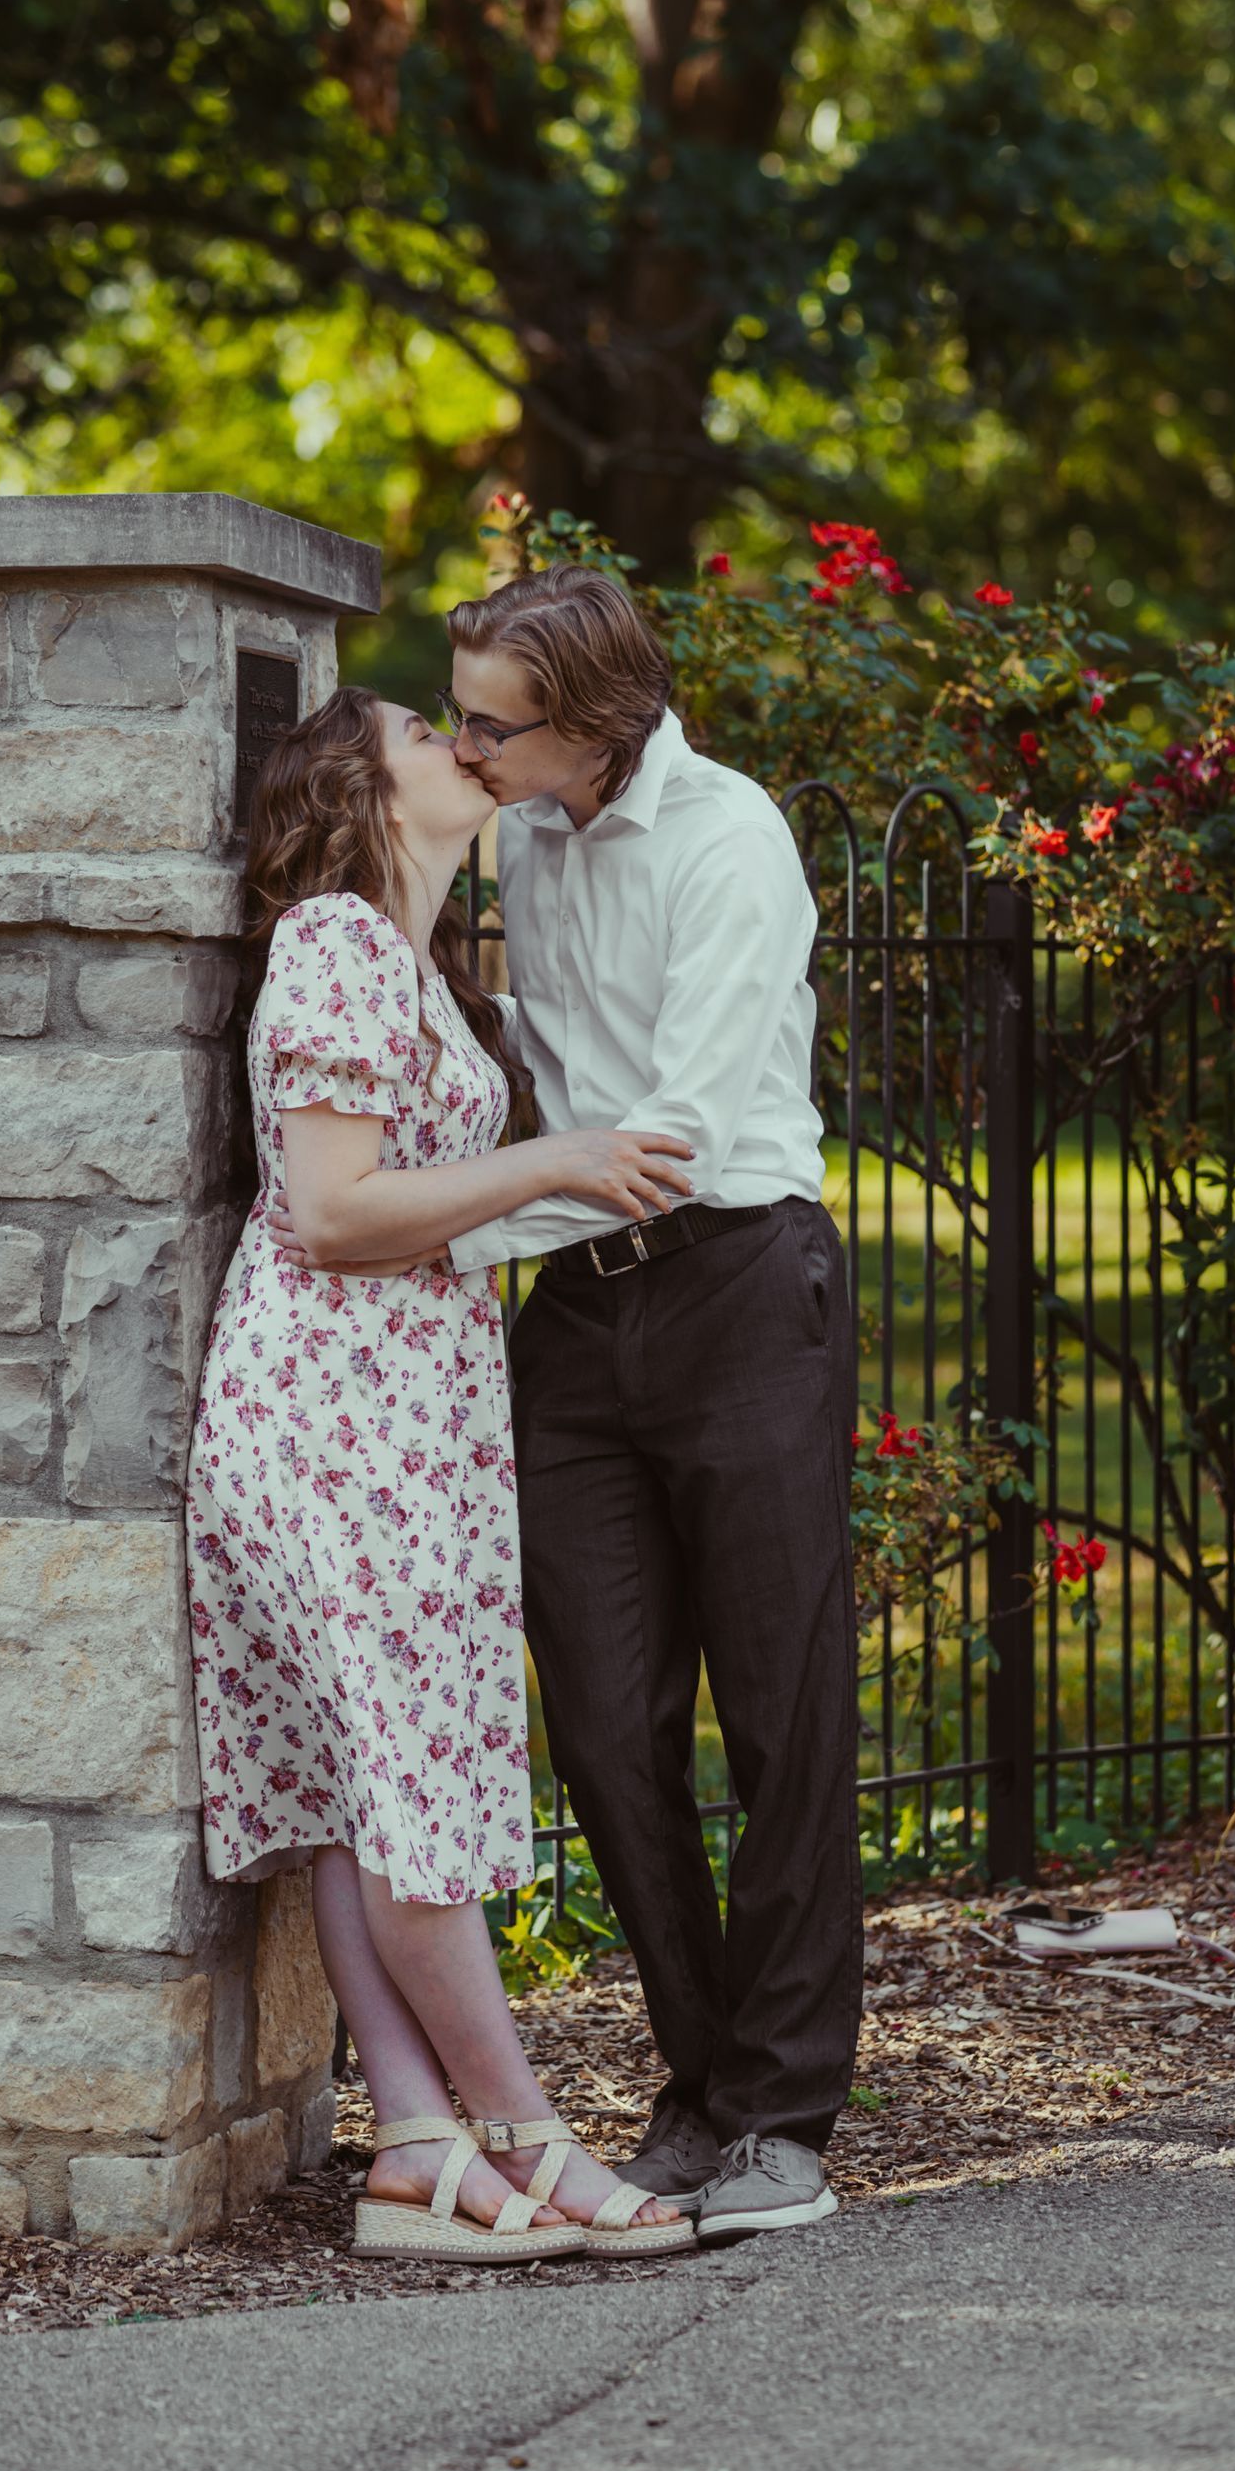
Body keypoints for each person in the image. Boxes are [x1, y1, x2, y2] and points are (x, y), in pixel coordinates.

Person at [183, 684, 696, 2265]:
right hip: (336, 1428)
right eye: (427, 734)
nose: (465, 750)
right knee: (408, 1794)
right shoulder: (337, 944)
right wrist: (560, 1157)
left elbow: (407, 1206)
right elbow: (335, 1212)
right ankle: (530, 2136)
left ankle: (413, 2149)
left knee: (363, 1799)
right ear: (363, 790)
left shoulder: (403, 963)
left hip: (396, 1421)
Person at [435, 561, 862, 2245]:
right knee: (606, 1729)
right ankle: (704, 2088)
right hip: (579, 1322)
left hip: (744, 1285)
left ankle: (781, 2116)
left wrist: (428, 1229)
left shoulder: (726, 839)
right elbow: (557, 1079)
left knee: (783, 1715)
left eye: (493, 725)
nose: (465, 749)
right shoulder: (525, 837)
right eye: (458, 713)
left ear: (595, 726)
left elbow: (664, 1137)